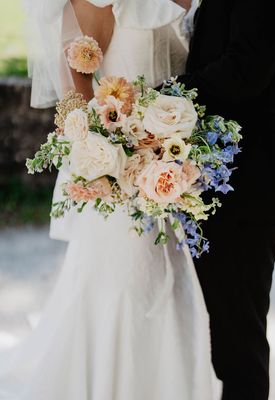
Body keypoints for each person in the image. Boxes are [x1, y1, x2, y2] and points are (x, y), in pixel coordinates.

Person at [0, 1, 222, 399]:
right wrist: (114, 157)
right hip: (118, 178)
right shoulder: (88, 4)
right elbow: (76, 101)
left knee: (165, 281)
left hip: (164, 169)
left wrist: (165, 151)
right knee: (124, 285)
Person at [179, 1, 275, 399]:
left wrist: (158, 101)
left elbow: (246, 69)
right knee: (233, 337)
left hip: (249, 177)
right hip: (240, 174)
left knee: (239, 344)